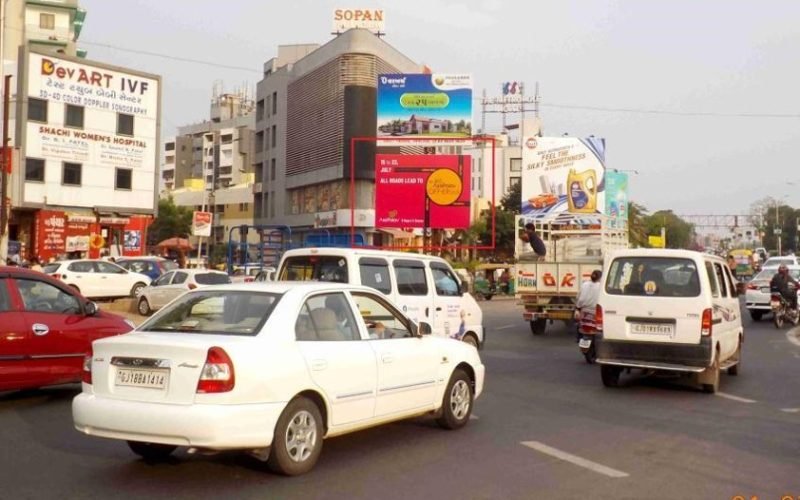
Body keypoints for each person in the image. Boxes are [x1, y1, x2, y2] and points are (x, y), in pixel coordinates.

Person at [575, 270, 602, 341]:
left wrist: (577, 308)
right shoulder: (601, 287)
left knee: (579, 325)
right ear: (600, 278)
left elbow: (579, 297)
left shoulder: (584, 285)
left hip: (584, 311)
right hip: (596, 312)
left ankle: (578, 337)